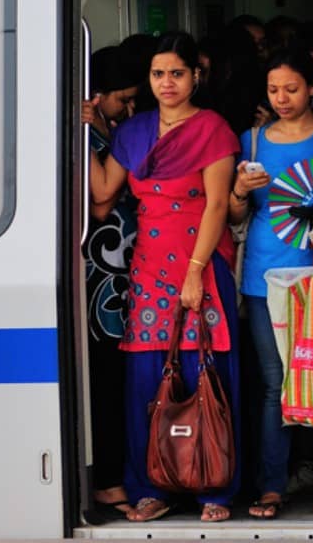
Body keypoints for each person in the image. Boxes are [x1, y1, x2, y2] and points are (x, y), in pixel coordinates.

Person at [85, 32, 243, 524]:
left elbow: (218, 204)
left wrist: (195, 273)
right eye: (158, 74)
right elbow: (103, 193)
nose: (167, 83)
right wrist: (80, 133)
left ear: (196, 75)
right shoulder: (133, 133)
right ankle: (152, 485)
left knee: (208, 376)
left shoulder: (212, 129)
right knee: (148, 381)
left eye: (177, 73)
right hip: (150, 268)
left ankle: (216, 486)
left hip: (200, 263)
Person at [228, 46, 313, 519]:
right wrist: (240, 190)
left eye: (292, 89)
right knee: (274, 384)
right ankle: (272, 485)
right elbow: (237, 214)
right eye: (273, 89)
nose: (281, 98)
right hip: (265, 276)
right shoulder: (252, 141)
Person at [83, 45, 141, 520]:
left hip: (123, 272)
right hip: (100, 275)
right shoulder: (84, 132)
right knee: (104, 376)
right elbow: (100, 200)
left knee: (120, 377)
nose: (130, 108)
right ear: (97, 95)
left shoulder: (110, 127)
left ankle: (120, 472)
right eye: (123, 99)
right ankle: (106, 480)